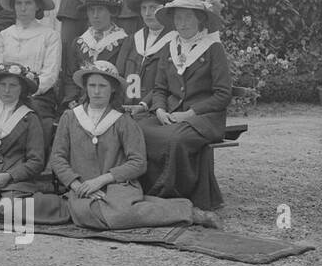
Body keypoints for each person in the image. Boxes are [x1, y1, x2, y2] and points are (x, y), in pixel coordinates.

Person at [51, 60, 221, 230]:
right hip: (83, 186)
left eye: (102, 86)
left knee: (118, 215)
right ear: (85, 87)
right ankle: (179, 208)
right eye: (92, 85)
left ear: (113, 89)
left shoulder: (123, 121)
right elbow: (58, 158)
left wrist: (102, 180)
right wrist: (77, 185)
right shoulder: (70, 118)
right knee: (85, 214)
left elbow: (138, 163)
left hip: (118, 185)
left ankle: (188, 212)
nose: (96, 91)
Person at [138, 0, 232, 210]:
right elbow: (159, 88)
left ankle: (173, 192)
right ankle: (145, 188)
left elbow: (223, 94)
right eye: (178, 18)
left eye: (188, 17)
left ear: (200, 19)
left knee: (175, 139)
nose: (182, 23)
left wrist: (191, 113)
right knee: (139, 129)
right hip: (171, 113)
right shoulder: (169, 47)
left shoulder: (212, 48)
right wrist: (159, 109)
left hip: (204, 118)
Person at [0, 62, 71, 224]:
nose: (7, 90)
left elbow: (36, 161)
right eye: (3, 85)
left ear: (22, 89)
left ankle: (49, 206)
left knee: (10, 207)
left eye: (13, 86)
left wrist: (10, 176)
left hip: (15, 183)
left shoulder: (30, 118)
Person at [0, 0, 62, 128]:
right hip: (5, 92)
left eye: (28, 3)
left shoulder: (50, 35)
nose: (23, 8)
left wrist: (27, 91)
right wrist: (8, 91)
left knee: (37, 120)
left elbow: (50, 74)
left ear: (37, 6)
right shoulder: (4, 35)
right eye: (19, 3)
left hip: (37, 95)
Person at [60, 0, 129, 107]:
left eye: (100, 10)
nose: (95, 15)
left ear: (111, 12)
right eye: (91, 10)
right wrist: (72, 99)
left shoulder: (124, 41)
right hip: (81, 102)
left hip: (112, 102)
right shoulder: (79, 42)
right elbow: (70, 76)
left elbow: (123, 77)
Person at [115, 0, 177, 107]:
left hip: (157, 109)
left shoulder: (175, 42)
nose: (148, 14)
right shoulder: (131, 40)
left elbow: (169, 84)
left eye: (153, 8)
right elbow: (119, 76)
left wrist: (144, 105)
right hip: (126, 107)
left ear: (165, 10)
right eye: (144, 8)